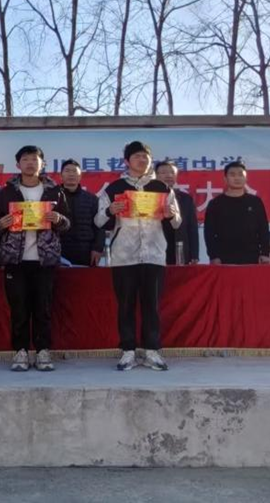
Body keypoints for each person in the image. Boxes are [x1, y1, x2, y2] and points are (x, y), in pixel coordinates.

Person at [95, 141, 181, 372]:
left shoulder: (162, 188)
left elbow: (177, 222)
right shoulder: (114, 188)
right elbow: (98, 220)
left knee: (152, 304)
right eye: (137, 156)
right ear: (127, 161)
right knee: (126, 305)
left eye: (145, 156)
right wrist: (110, 210)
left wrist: (170, 214)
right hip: (124, 255)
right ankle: (128, 351)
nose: (142, 160)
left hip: (154, 253)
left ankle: (152, 350)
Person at [0, 145, 70, 372]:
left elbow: (67, 224)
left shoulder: (54, 191)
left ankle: (43, 351)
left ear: (42, 164)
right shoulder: (7, 192)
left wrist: (58, 219)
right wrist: (0, 223)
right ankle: (21, 351)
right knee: (19, 309)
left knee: (43, 308)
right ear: (18, 164)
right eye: (25, 159)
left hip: (45, 260)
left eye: (34, 159)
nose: (30, 163)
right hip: (15, 259)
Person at [204, 161, 270, 265]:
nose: (237, 178)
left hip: (252, 256)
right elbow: (209, 233)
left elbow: (264, 229)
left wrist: (265, 253)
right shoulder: (215, 203)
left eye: (240, 174)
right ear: (225, 179)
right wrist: (213, 256)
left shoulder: (255, 202)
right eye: (232, 175)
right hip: (224, 258)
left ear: (246, 178)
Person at [58, 159, 103, 266]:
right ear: (61, 176)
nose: (71, 174)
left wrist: (97, 248)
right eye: (67, 171)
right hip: (59, 250)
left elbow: (99, 226)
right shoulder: (52, 197)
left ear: (80, 176)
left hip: (86, 251)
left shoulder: (92, 199)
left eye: (74, 171)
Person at [155, 160, 199, 265]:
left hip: (179, 249)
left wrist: (194, 254)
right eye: (164, 172)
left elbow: (192, 228)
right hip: (155, 249)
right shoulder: (148, 198)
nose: (169, 175)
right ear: (155, 176)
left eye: (172, 172)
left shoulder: (185, 198)